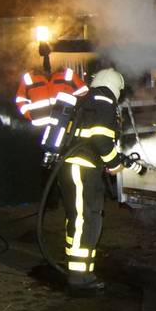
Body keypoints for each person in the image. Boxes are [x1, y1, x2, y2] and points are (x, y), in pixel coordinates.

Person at [58, 67, 125, 292]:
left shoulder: (87, 100)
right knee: (85, 219)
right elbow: (101, 139)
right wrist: (115, 164)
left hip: (75, 167)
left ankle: (78, 267)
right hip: (82, 168)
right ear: (115, 86)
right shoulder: (104, 101)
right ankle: (79, 275)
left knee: (78, 218)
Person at [15, 65, 88, 165]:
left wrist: (72, 112)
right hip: (38, 130)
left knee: (65, 164)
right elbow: (20, 100)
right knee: (42, 167)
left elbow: (84, 92)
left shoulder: (68, 74)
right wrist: (31, 115)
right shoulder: (28, 78)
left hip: (64, 128)